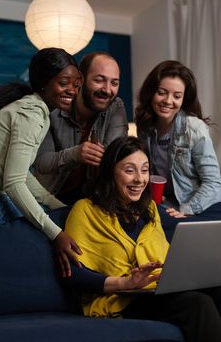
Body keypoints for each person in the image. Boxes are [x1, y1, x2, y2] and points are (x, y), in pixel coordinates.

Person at [63, 136, 221, 342]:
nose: (140, 179)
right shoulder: (85, 210)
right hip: (124, 299)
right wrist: (125, 282)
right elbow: (72, 273)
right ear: (110, 172)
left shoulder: (150, 209)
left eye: (145, 170)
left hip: (157, 291)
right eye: (130, 170)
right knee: (197, 304)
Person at [0, 47, 83, 277]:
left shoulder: (34, 109)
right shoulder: (31, 114)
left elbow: (22, 174)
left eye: (76, 84)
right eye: (64, 82)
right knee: (49, 234)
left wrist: (54, 203)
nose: (72, 90)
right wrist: (56, 234)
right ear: (44, 82)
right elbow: (13, 183)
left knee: (57, 216)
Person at [33, 51, 128, 205]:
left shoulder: (115, 107)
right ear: (80, 80)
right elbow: (41, 162)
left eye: (114, 83)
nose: (107, 89)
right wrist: (76, 153)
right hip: (48, 198)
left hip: (92, 201)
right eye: (99, 80)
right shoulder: (53, 107)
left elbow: (116, 154)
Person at [135, 60, 221, 223]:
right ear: (151, 92)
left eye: (177, 96)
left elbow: (213, 182)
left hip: (201, 205)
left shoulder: (194, 127)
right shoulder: (145, 126)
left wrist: (187, 210)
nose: (168, 101)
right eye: (161, 92)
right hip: (167, 203)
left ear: (183, 99)